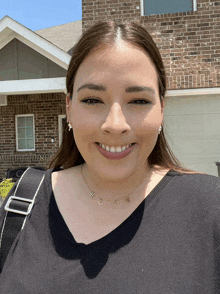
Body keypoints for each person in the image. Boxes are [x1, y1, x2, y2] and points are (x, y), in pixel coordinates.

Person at [0, 21, 220, 294]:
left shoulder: (210, 209)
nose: (115, 125)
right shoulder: (19, 207)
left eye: (139, 101)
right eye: (92, 100)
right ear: (69, 108)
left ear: (161, 109)